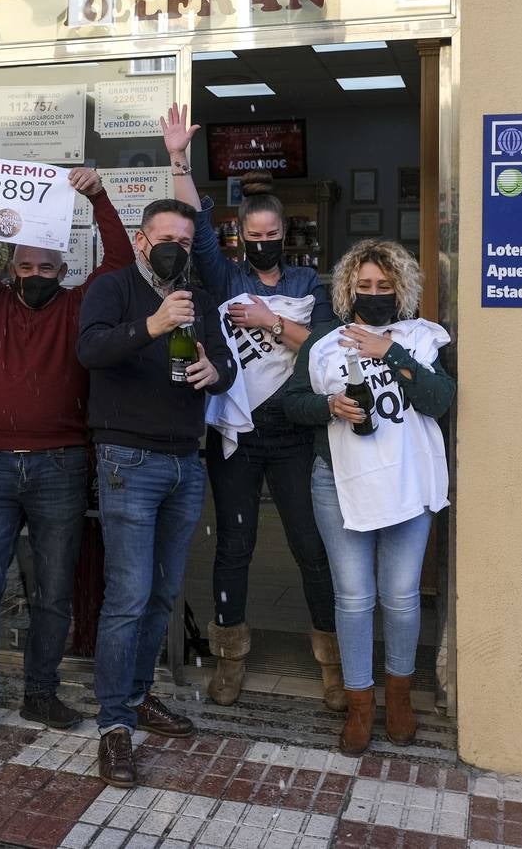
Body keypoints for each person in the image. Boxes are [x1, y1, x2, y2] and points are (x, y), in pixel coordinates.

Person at [0, 149, 136, 746]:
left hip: (63, 465)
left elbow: (121, 259)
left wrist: (97, 196)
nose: (37, 275)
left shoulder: (78, 305)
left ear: (63, 267)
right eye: (27, 265)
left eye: (49, 266)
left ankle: (41, 693)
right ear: (14, 265)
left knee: (53, 590)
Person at [159, 103, 344, 711]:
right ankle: (230, 659)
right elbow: (198, 227)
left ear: (286, 236)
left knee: (308, 546)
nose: (263, 245)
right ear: (243, 236)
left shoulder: (310, 288)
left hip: (293, 431)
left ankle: (333, 665)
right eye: (253, 237)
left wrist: (269, 321)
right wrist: (178, 159)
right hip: (236, 433)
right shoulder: (226, 276)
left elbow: (326, 349)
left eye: (272, 237)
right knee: (234, 545)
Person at [76, 197, 236, 788]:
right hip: (127, 459)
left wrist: (215, 371)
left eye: (185, 243)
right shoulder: (113, 287)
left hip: (185, 462)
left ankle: (139, 695)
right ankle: (113, 725)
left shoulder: (202, 297)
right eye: (164, 238)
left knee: (164, 594)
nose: (174, 250)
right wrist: (154, 325)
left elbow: (228, 362)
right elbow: (89, 350)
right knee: (128, 595)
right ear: (143, 240)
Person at [283, 240, 454, 756]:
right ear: (347, 290)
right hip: (337, 483)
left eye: (385, 286)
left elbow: (440, 400)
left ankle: (398, 699)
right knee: (354, 600)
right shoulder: (323, 343)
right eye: (365, 287)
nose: (375, 295)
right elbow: (293, 405)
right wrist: (329, 406)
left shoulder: (421, 339)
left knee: (400, 599)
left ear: (402, 289)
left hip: (408, 484)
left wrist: (390, 352)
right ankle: (361, 704)